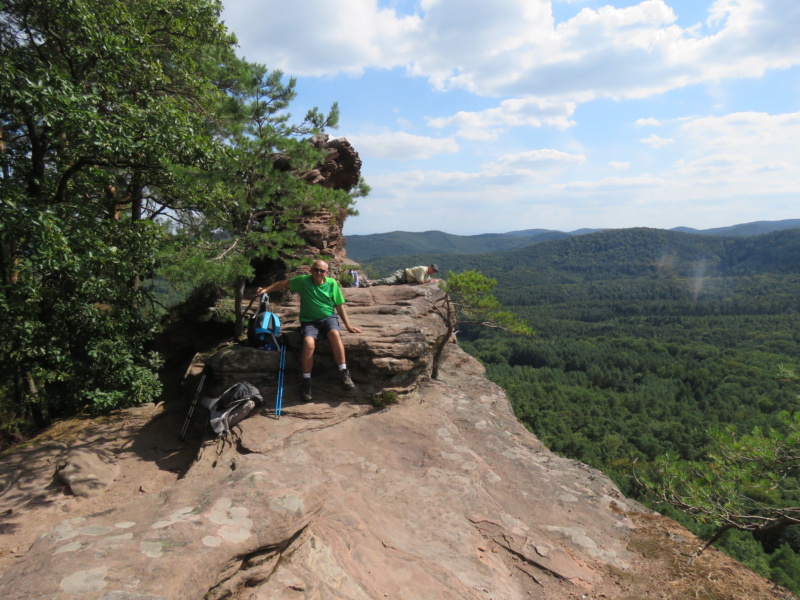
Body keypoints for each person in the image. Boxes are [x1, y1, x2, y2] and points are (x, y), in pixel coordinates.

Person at [257, 260, 362, 402]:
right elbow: (283, 284)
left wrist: (348, 326)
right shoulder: (303, 281)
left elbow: (339, 305)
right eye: (316, 270)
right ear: (311, 270)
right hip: (309, 321)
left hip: (328, 318)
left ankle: (343, 371)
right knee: (308, 342)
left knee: (335, 335)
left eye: (322, 271)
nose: (319, 273)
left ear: (326, 272)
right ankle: (306, 380)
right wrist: (266, 289)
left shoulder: (331, 284)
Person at [368, 264, 440, 286]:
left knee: (388, 284)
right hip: (402, 274)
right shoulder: (422, 269)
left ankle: (370, 284)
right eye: (433, 270)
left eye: (435, 271)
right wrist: (431, 281)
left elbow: (425, 281)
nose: (433, 272)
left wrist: (431, 280)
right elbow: (420, 282)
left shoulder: (428, 275)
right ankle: (371, 283)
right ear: (430, 267)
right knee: (389, 281)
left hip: (405, 281)